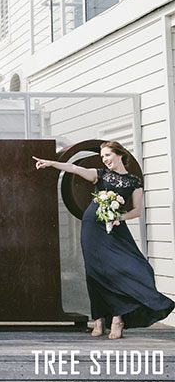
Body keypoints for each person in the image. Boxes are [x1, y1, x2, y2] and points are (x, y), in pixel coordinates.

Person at [34, 141, 174, 339]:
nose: (105, 160)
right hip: (92, 227)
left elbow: (136, 211)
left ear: (119, 154)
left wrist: (119, 218)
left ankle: (118, 318)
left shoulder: (134, 182)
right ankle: (98, 319)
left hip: (115, 230)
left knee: (129, 269)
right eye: (102, 157)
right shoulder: (101, 174)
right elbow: (74, 168)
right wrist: (51, 163)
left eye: (108, 155)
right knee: (95, 272)